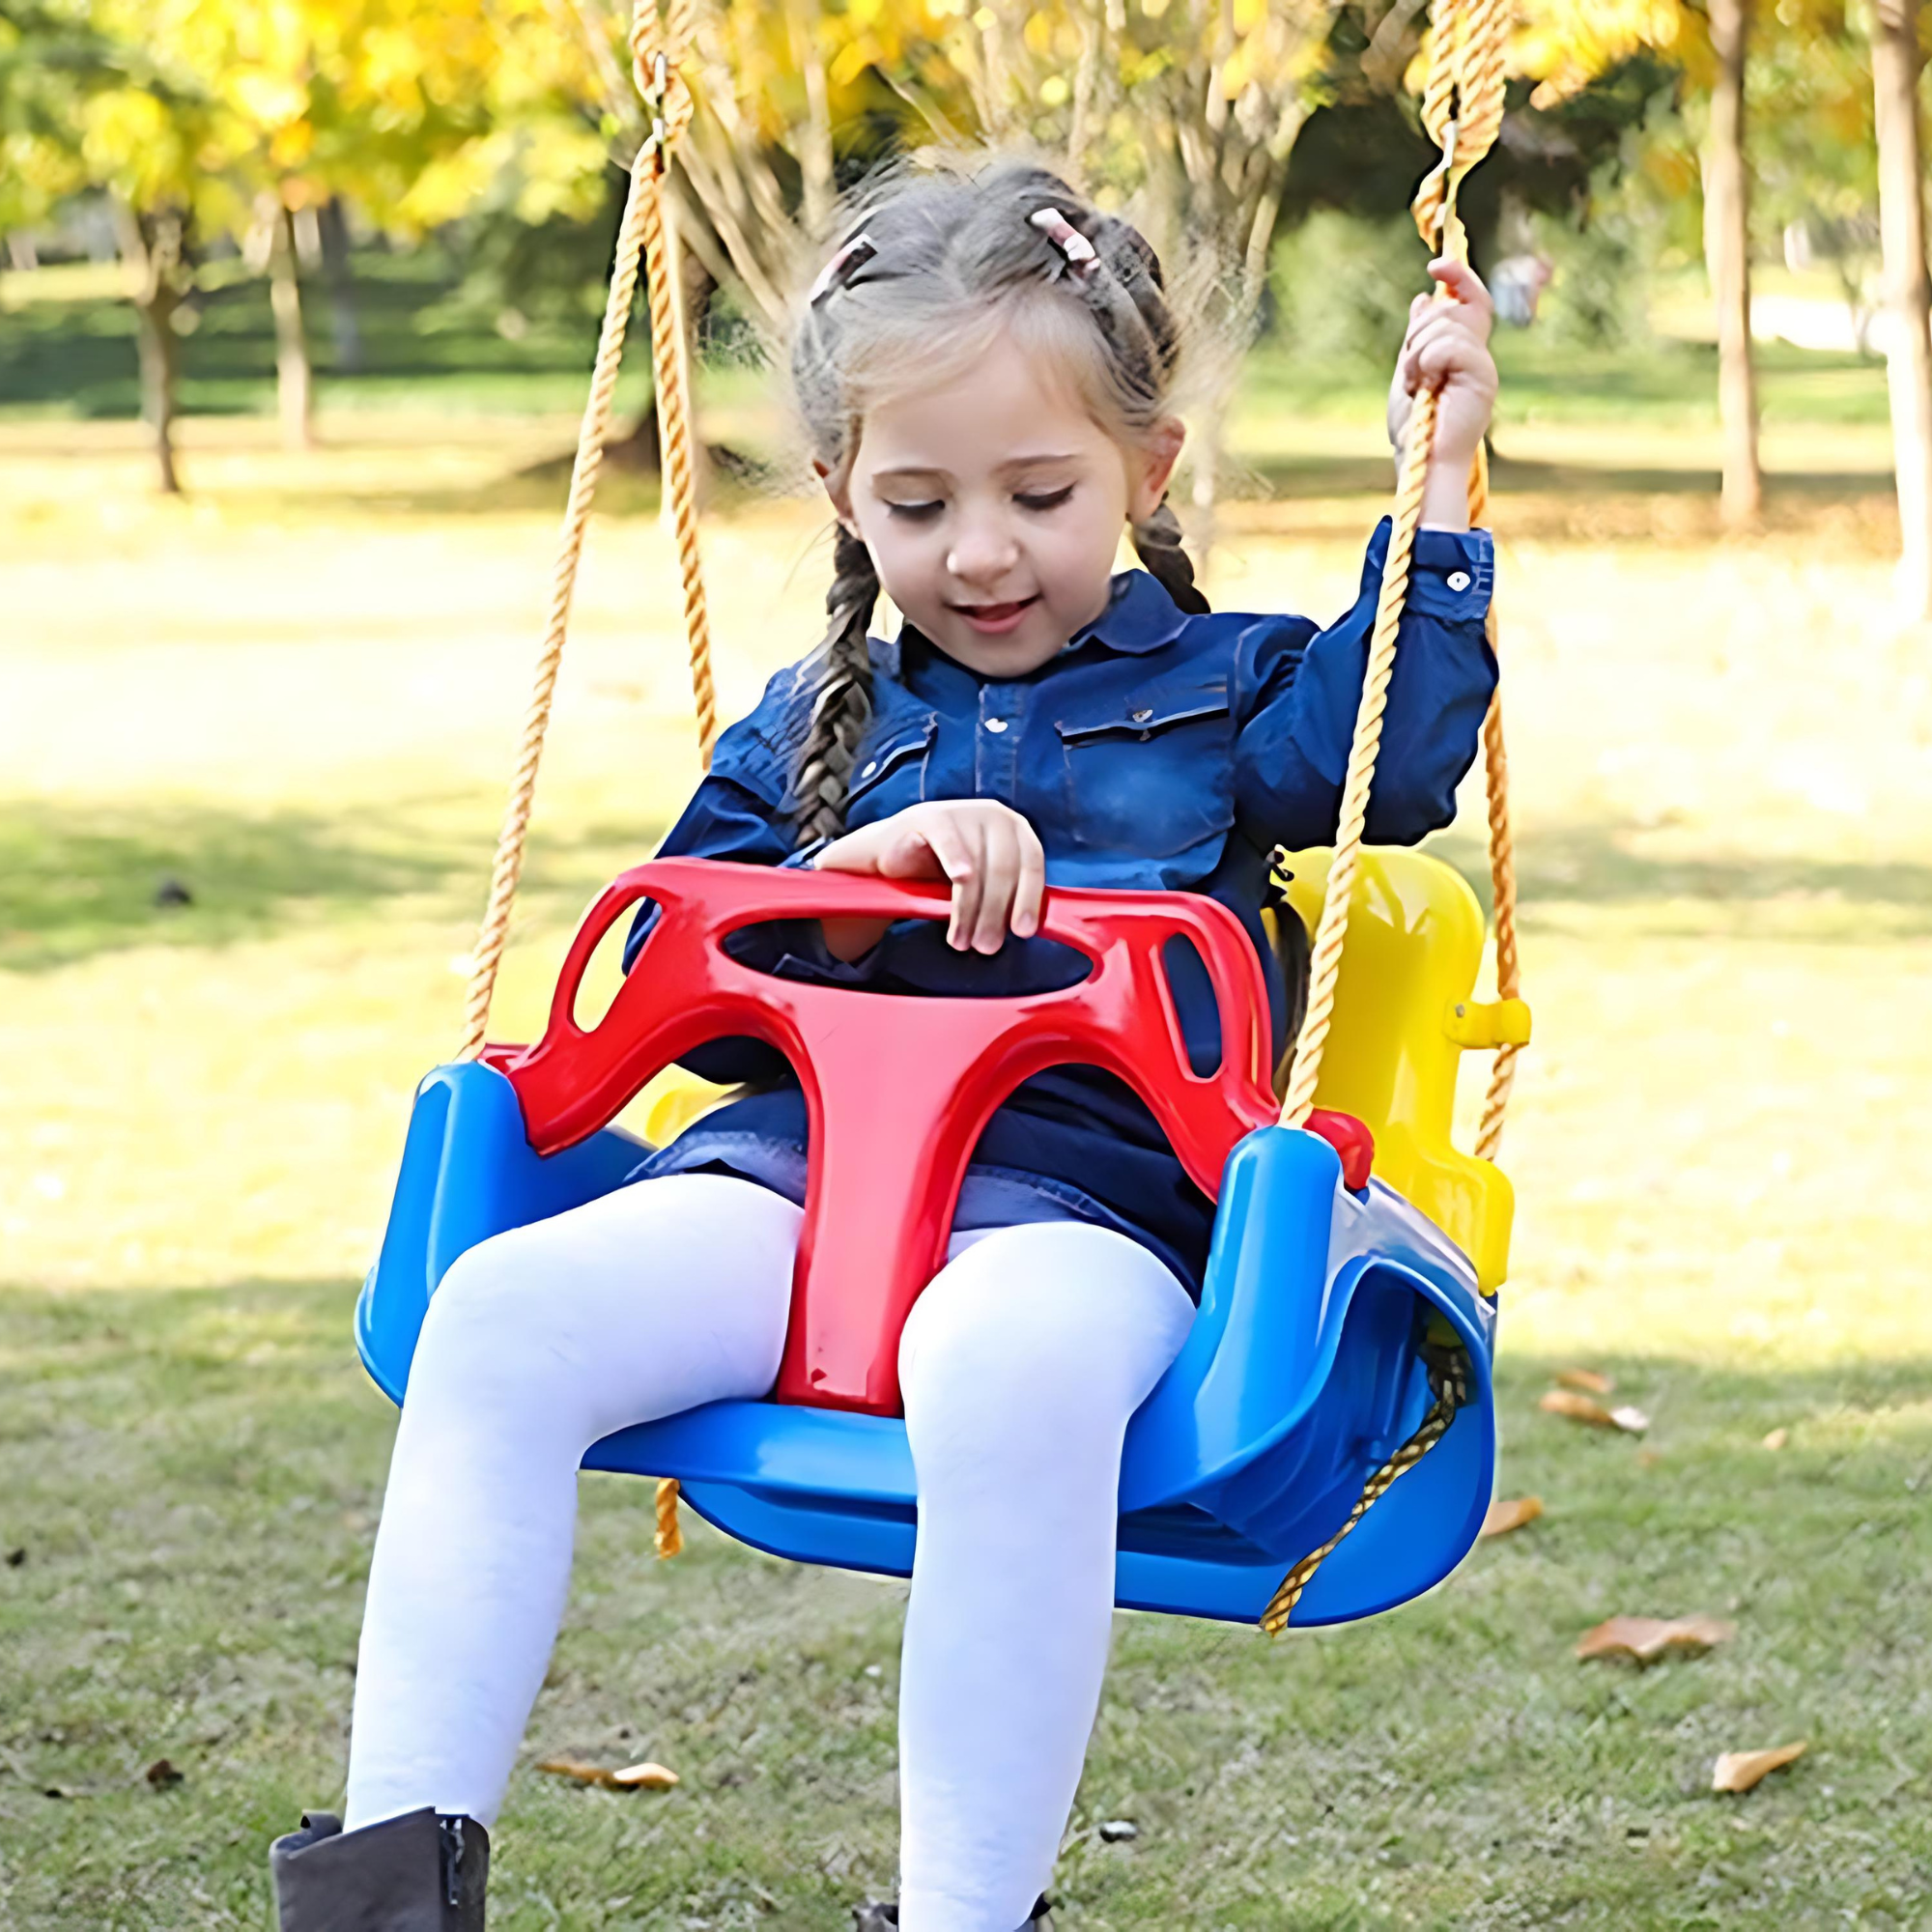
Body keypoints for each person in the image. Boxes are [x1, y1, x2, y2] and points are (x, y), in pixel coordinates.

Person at [270, 158, 1500, 1932]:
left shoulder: (1243, 694)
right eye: (918, 503)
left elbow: (1390, 768)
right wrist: (848, 881)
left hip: (1089, 1221)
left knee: (999, 1368)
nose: (980, 550)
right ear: (845, 496)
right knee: (499, 1323)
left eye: (1039, 491)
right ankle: (386, 1899)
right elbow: (679, 970)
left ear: (1149, 473)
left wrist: (1441, 485)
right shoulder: (812, 730)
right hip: (791, 1195)